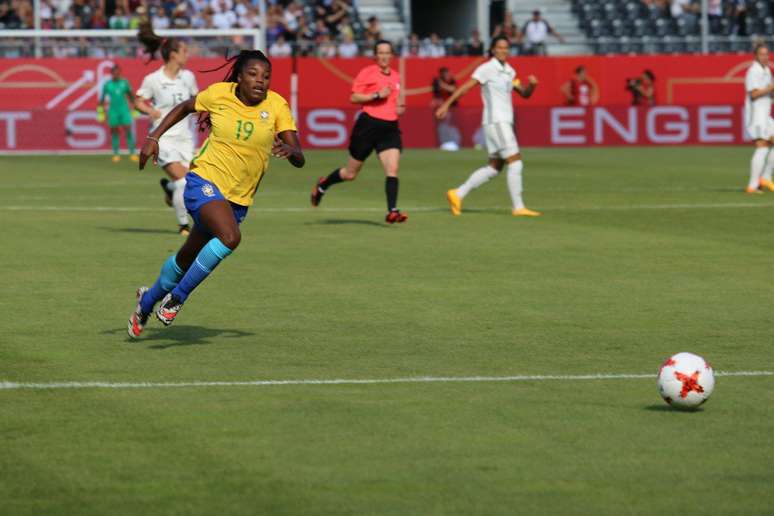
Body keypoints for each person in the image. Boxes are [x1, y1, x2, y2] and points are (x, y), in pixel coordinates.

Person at [127, 50, 305, 338]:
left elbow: (299, 156)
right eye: (253, 74)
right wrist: (153, 137)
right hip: (203, 183)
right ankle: (177, 298)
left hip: (238, 200)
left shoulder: (277, 105)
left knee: (187, 257)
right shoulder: (220, 94)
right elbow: (185, 107)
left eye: (266, 76)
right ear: (239, 76)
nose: (261, 81)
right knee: (231, 238)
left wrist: (291, 151)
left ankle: (146, 302)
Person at [435, 35, 540, 217]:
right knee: (516, 162)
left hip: (503, 122)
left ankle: (457, 194)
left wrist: (532, 85)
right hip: (496, 121)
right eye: (499, 47)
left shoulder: (509, 71)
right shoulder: (486, 68)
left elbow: (524, 93)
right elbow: (466, 87)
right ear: (492, 49)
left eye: (506, 47)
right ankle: (519, 207)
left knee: (494, 167)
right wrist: (446, 104)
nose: (503, 50)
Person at [309, 40, 408, 223]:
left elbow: (398, 99)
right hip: (368, 126)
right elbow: (353, 97)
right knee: (350, 174)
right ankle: (323, 185)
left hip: (390, 128)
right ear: (375, 55)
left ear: (392, 55)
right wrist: (377, 95)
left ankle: (392, 211)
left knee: (392, 169)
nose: (384, 56)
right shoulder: (367, 73)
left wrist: (400, 106)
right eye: (380, 52)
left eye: (387, 52)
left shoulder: (396, 76)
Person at [135, 23, 199, 236]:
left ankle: (170, 191)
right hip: (163, 139)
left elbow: (195, 101)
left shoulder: (188, 77)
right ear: (173, 54)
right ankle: (184, 226)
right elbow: (138, 101)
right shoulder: (153, 79)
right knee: (182, 181)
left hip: (185, 138)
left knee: (189, 183)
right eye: (184, 51)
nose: (187, 55)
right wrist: (150, 111)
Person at [744, 42, 774, 194]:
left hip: (766, 115)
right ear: (755, 56)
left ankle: (766, 177)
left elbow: (769, 93)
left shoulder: (767, 70)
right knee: (762, 147)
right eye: (762, 54)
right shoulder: (753, 71)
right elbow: (754, 94)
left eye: (767, 54)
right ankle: (753, 185)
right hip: (756, 116)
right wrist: (770, 88)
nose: (765, 57)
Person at [98, 64, 137, 162]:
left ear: (120, 73)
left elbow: (131, 96)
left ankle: (132, 153)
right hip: (113, 111)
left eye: (117, 73)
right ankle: (116, 154)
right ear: (111, 74)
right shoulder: (108, 84)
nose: (116, 75)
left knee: (128, 130)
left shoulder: (125, 83)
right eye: (114, 73)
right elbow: (102, 99)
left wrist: (135, 109)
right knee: (114, 132)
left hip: (124, 110)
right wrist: (101, 113)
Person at [431, 67, 461, 150]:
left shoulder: (451, 81)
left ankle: (453, 142)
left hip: (452, 107)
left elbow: (453, 90)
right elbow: (435, 95)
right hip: (442, 107)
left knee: (451, 126)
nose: (447, 75)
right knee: (442, 126)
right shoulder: (436, 82)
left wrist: (443, 85)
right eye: (445, 73)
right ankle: (444, 143)